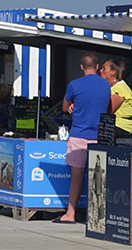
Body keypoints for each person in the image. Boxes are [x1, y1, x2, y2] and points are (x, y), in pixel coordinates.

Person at [55, 53, 110, 224]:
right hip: (99, 136)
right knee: (98, 179)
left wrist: (72, 104)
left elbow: (65, 107)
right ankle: (97, 216)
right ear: (97, 66)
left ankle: (70, 214)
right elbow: (108, 108)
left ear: (81, 67)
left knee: (77, 177)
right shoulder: (106, 85)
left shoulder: (74, 85)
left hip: (79, 135)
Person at [100, 58, 132, 136]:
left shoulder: (120, 89)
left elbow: (107, 110)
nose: (101, 71)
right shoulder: (112, 88)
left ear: (112, 72)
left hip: (122, 128)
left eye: (104, 68)